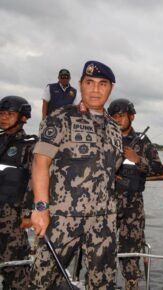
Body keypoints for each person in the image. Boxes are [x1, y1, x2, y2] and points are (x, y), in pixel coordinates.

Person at [29, 60, 123, 289]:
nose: (95, 89)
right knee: (44, 280)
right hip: (63, 217)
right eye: (89, 82)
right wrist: (41, 208)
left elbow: (113, 168)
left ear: (110, 88)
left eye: (102, 84)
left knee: (103, 282)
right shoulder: (61, 118)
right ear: (80, 85)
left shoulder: (114, 128)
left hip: (104, 220)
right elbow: (40, 163)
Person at [108, 99, 162, 289]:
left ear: (131, 117)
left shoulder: (142, 142)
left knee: (131, 253)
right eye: (113, 117)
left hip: (133, 206)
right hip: (106, 205)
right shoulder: (104, 140)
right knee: (102, 251)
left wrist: (137, 159)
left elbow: (157, 168)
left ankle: (131, 285)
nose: (117, 120)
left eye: (121, 116)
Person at [0, 96, 36, 289]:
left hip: (12, 218)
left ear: (23, 117)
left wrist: (28, 213)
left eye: (10, 114)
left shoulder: (29, 145)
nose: (4, 118)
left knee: (15, 269)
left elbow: (35, 180)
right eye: (2, 113)